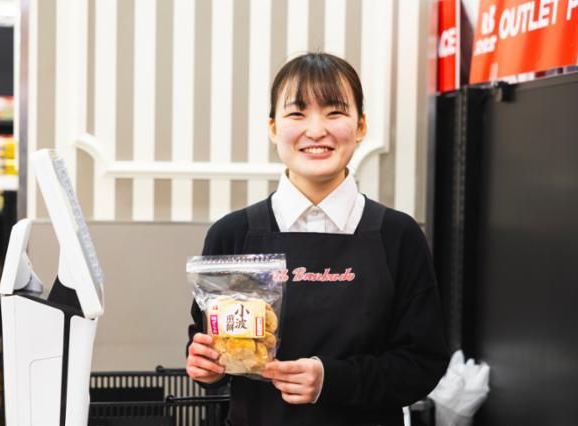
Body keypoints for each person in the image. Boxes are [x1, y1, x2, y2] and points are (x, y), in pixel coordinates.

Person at [186, 52, 448, 426]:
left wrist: (333, 380)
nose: (315, 130)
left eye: (334, 112)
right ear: (273, 128)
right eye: (297, 113)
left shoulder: (398, 236)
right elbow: (210, 348)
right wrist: (207, 368)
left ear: (360, 126)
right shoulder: (233, 235)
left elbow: (422, 364)